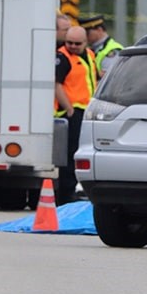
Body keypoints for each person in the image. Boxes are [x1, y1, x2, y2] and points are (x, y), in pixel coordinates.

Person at [55, 26, 97, 205]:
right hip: (71, 112)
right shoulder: (62, 57)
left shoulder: (89, 55)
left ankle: (72, 191)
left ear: (85, 42)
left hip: (86, 110)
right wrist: (69, 109)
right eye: (69, 42)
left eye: (77, 43)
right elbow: (56, 85)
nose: (72, 46)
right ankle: (65, 196)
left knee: (79, 153)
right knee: (70, 155)